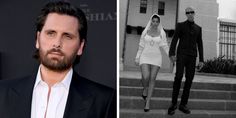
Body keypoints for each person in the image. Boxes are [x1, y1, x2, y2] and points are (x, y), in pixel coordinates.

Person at [0, 1, 116, 118]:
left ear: (80, 47)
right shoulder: (3, 92)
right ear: (37, 39)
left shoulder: (103, 100)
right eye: (51, 33)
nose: (57, 43)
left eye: (67, 36)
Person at [168, 6, 204, 115]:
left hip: (192, 57)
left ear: (194, 13)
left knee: (189, 80)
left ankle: (183, 104)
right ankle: (173, 104)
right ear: (186, 14)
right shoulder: (180, 26)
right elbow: (174, 39)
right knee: (178, 77)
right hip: (181, 55)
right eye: (187, 12)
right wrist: (171, 53)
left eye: (191, 12)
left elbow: (200, 45)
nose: (189, 14)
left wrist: (201, 60)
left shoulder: (198, 28)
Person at [135, 14, 169, 112]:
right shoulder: (145, 31)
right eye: (153, 21)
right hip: (145, 56)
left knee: (152, 79)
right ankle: (145, 88)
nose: (155, 23)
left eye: (157, 21)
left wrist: (171, 56)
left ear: (159, 22)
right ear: (151, 21)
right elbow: (141, 45)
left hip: (156, 58)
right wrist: (137, 57)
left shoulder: (162, 33)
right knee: (145, 76)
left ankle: (148, 102)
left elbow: (165, 46)